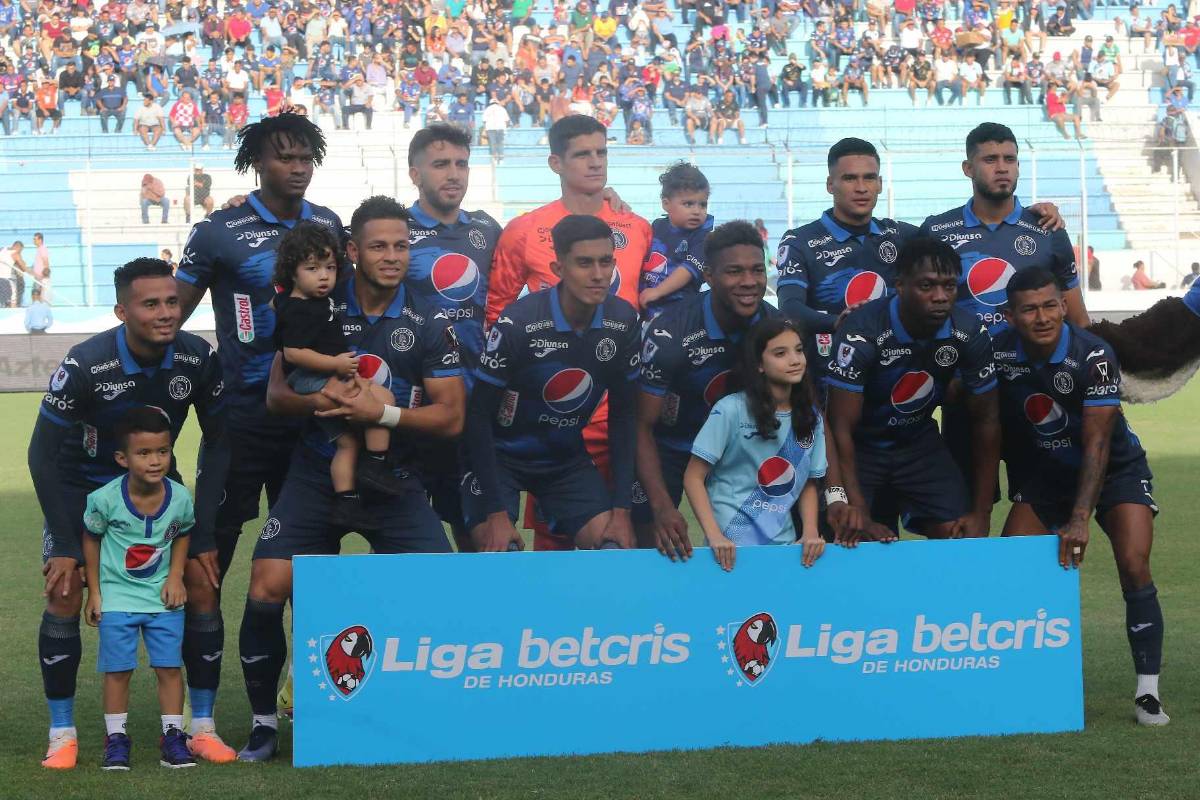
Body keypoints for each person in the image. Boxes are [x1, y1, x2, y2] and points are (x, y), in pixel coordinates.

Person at [240, 196, 464, 761]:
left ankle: (419, 709)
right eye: (379, 246)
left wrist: (380, 415)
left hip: (393, 477)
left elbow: (451, 416)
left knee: (442, 586)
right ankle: (266, 724)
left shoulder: (433, 318)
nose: (392, 257)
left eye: (402, 246)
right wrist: (330, 406)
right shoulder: (316, 303)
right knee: (267, 585)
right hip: (317, 472)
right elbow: (276, 395)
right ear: (352, 251)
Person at [174, 113, 346, 742]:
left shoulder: (327, 227)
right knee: (205, 565)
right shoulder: (219, 231)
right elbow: (171, 312)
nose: (297, 167)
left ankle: (301, 708)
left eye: (306, 157)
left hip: (309, 426)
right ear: (259, 163)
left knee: (307, 565)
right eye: (285, 157)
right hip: (240, 423)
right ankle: (199, 717)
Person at [27, 258, 231, 769]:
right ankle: (63, 733)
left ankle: (202, 728)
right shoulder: (86, 363)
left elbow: (222, 442)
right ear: (122, 310)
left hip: (157, 490)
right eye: (151, 304)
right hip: (86, 489)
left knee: (203, 582)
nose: (167, 313)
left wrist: (202, 529)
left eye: (172, 302)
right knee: (65, 590)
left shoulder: (196, 357)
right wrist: (68, 545)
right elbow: (41, 455)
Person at [994, 267, 1169, 726]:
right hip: (1049, 477)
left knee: (1134, 564)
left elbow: (1097, 444)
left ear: (1064, 305)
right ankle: (1015, 682)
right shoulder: (996, 352)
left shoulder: (1094, 354)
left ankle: (1147, 693)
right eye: (1029, 309)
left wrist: (1078, 519)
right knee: (1007, 569)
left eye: (1051, 305)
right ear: (1010, 315)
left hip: (1115, 470)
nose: (1043, 316)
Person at [486, 114, 651, 551]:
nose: (595, 163)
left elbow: (643, 304)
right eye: (583, 154)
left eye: (601, 152)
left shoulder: (635, 228)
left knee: (617, 540)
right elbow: (496, 312)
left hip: (610, 408)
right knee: (548, 539)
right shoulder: (523, 230)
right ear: (556, 163)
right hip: (540, 413)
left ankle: (603, 622)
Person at [463, 214, 639, 552]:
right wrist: (495, 513)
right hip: (500, 459)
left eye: (606, 262)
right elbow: (478, 416)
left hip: (564, 460)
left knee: (614, 550)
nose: (599, 274)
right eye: (585, 263)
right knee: (500, 554)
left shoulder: (623, 321)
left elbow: (625, 416)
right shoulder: (518, 323)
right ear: (558, 269)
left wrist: (621, 509)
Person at [825, 237, 1000, 540]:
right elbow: (839, 428)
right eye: (927, 286)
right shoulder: (863, 332)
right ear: (900, 285)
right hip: (861, 446)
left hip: (917, 443)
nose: (940, 297)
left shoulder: (969, 331)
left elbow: (987, 420)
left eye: (949, 286)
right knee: (853, 535)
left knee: (960, 532)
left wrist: (982, 512)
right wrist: (856, 506)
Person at [635, 220, 780, 558]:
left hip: (739, 450)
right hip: (672, 447)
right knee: (646, 543)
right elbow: (640, 425)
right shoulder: (669, 333)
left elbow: (801, 414)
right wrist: (660, 507)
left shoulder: (777, 329)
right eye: (734, 272)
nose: (749, 282)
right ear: (709, 276)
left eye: (757, 271)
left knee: (756, 546)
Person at [271, 221, 409, 529]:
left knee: (354, 433)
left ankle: (350, 495)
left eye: (330, 268)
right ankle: (374, 467)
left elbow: (274, 303)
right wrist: (334, 365)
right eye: (312, 269)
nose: (324, 276)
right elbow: (293, 353)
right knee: (375, 402)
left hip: (325, 373)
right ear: (293, 272)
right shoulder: (299, 308)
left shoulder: (311, 299)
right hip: (311, 378)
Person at [82, 408, 197, 770]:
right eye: (144, 453)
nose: (155, 461)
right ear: (122, 458)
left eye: (162, 451)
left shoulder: (179, 497)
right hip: (118, 597)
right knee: (118, 670)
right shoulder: (104, 499)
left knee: (169, 668)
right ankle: (116, 739)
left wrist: (176, 576)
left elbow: (182, 533)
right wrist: (96, 593)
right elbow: (92, 538)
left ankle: (173, 737)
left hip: (163, 599)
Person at [685, 318, 827, 571]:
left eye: (798, 350)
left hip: (784, 549)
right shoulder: (731, 410)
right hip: (729, 548)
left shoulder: (811, 417)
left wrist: (811, 531)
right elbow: (693, 477)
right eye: (780, 353)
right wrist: (715, 536)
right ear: (759, 364)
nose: (795, 360)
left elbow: (808, 482)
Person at [777, 138, 919, 380]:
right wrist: (836, 322)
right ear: (830, 185)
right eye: (850, 178)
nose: (861, 187)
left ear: (880, 184)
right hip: (829, 383)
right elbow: (790, 308)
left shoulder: (902, 236)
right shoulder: (799, 242)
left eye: (869, 178)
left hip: (894, 380)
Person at [640, 162, 713, 319]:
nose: (697, 211)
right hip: (648, 308)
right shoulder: (657, 226)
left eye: (703, 204)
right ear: (666, 204)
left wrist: (658, 291)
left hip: (680, 312)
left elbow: (688, 270)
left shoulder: (703, 237)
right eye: (688, 204)